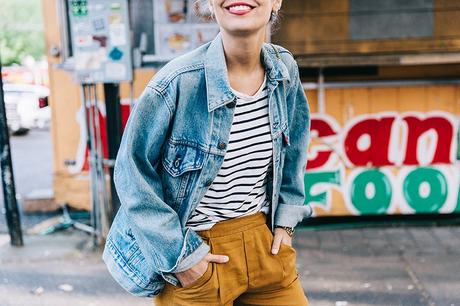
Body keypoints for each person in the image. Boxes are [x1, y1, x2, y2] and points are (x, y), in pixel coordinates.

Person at [102, 0, 313, 305]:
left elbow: (294, 146)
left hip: (265, 244)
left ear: (276, 1)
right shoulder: (176, 82)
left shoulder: (284, 69)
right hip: (199, 253)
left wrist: (285, 222)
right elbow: (131, 173)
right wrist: (181, 257)